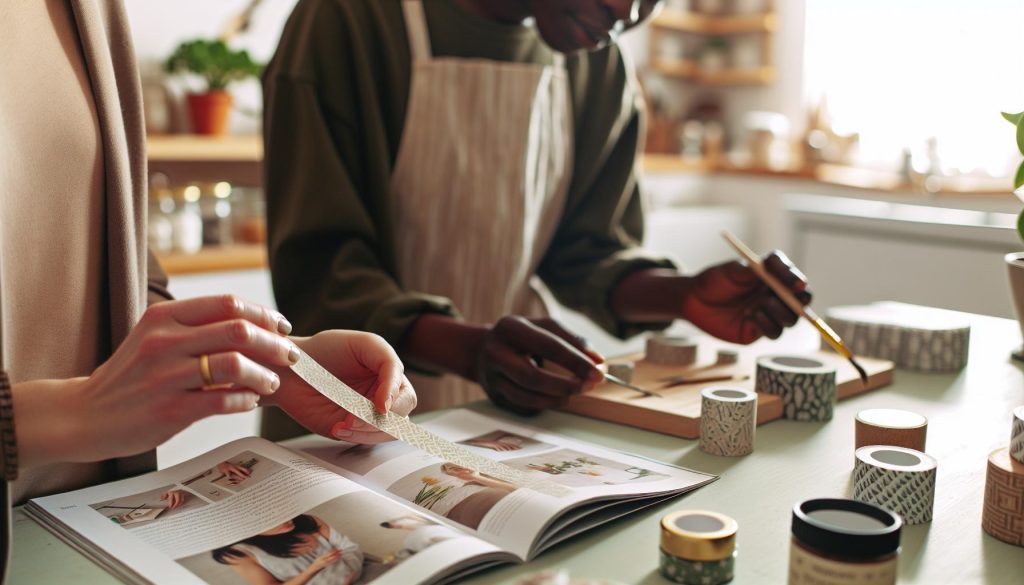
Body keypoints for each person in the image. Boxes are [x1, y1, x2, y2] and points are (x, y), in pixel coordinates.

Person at [0, 0, 416, 575]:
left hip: (82, 534)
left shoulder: (90, 12)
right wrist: (69, 412)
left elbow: (119, 277)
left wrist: (279, 363)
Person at [261, 0, 812, 432]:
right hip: (345, 411)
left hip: (503, 416)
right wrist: (471, 350)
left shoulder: (597, 61)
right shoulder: (347, 20)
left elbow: (586, 253)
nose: (626, 11)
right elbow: (321, 272)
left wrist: (684, 295)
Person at [212, 514, 362, 585]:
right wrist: (313, 568)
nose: (286, 519)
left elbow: (350, 548)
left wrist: (349, 576)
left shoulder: (305, 521)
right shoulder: (237, 554)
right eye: (270, 517)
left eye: (283, 510)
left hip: (357, 574)